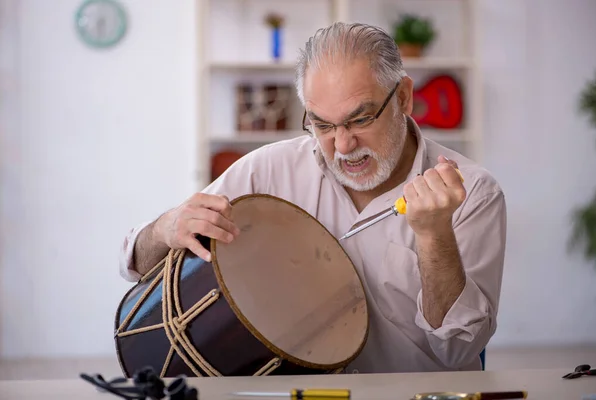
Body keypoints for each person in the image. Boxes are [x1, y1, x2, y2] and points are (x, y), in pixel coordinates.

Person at [118, 22, 507, 374]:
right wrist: (166, 227)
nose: (343, 144)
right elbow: (134, 263)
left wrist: (434, 235)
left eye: (360, 119)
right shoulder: (268, 170)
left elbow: (458, 349)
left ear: (404, 98)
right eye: (321, 124)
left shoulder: (472, 191)